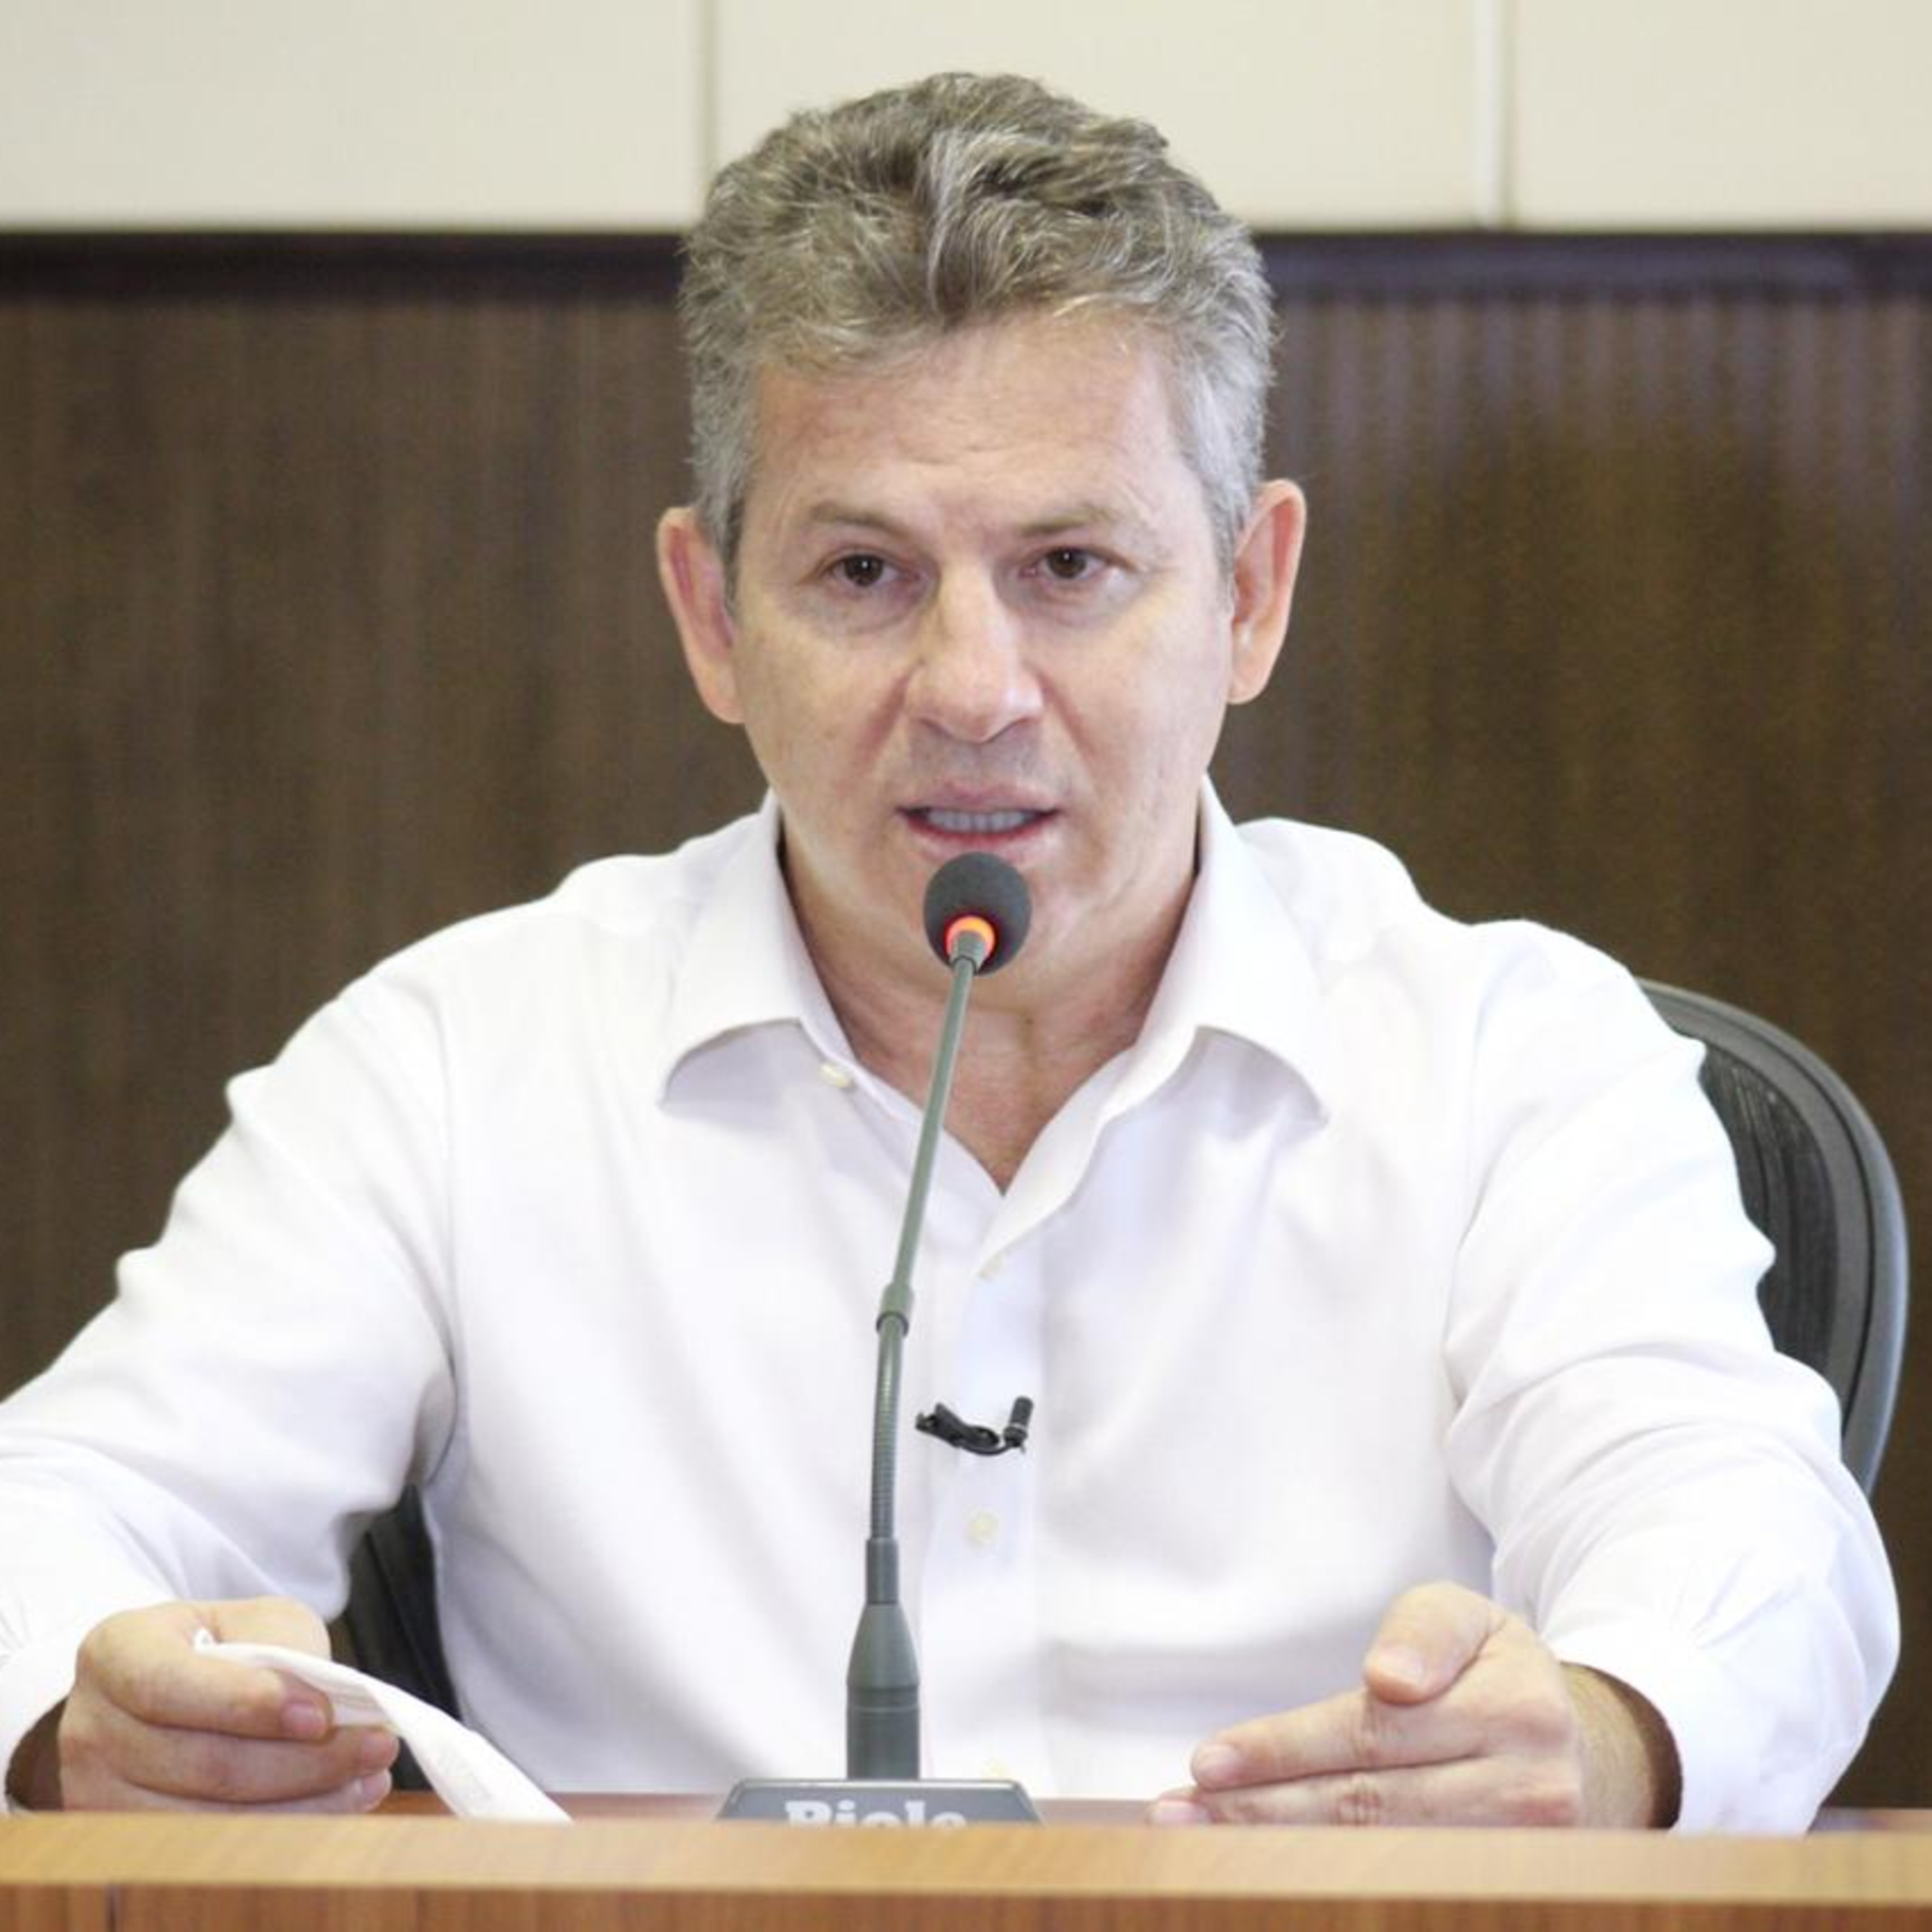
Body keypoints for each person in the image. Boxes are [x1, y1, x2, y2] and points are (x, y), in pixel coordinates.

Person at [0, 73, 1895, 1829]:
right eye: (863, 574)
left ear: (1249, 596)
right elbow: (68, 1507)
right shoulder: (454, 1067)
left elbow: (1741, 1530)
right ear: (711, 616)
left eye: (1071, 568)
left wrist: (1608, 1732)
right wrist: (78, 1716)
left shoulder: (1509, 1060)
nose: (973, 689)